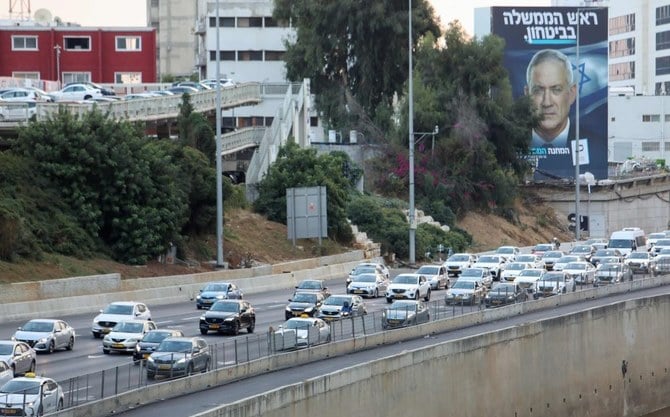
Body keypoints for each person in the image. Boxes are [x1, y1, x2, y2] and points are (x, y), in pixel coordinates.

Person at [525, 49, 577, 148]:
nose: (547, 102)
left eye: (556, 90)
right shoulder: (508, 146)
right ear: (527, 95)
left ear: (571, 94)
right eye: (538, 91)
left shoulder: (597, 147)